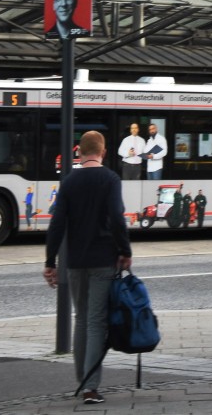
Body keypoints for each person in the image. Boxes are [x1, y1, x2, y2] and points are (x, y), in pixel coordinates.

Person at [42, 131, 132, 406]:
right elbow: (117, 218)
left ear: (79, 152)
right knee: (95, 322)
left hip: (75, 262)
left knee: (81, 319)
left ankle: (83, 380)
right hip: (103, 259)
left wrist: (50, 262)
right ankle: (91, 387)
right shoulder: (110, 179)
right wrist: (124, 250)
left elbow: (57, 224)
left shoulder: (69, 181)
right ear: (103, 152)